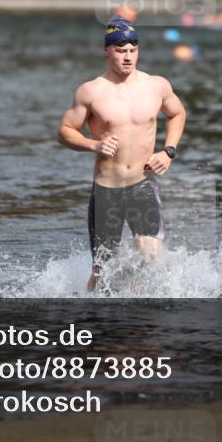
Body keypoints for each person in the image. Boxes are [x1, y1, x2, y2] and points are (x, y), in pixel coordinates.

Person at [58, 16, 187, 291]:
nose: (128, 57)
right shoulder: (90, 92)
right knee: (102, 269)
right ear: (107, 51)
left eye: (133, 50)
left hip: (143, 184)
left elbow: (177, 113)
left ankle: (136, 300)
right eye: (120, 51)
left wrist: (169, 151)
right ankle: (93, 314)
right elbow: (66, 130)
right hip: (108, 188)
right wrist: (93, 144)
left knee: (151, 256)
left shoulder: (156, 85)